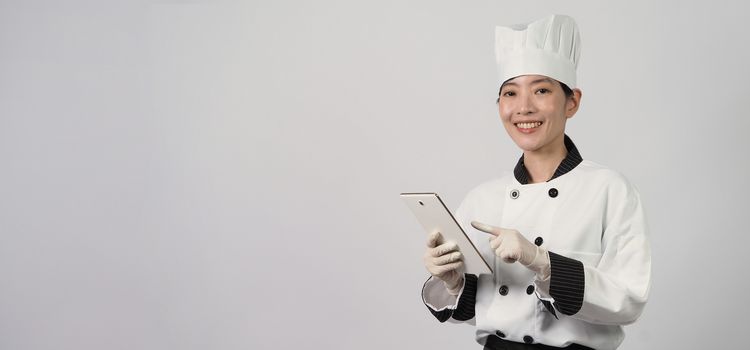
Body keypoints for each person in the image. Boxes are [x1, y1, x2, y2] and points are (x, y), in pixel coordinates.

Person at [420, 14, 651, 350]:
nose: (524, 108)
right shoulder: (482, 198)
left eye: (541, 90)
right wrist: (453, 282)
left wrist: (543, 262)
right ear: (499, 105)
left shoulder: (610, 190)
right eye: (510, 94)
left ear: (572, 101)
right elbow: (474, 312)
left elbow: (628, 300)